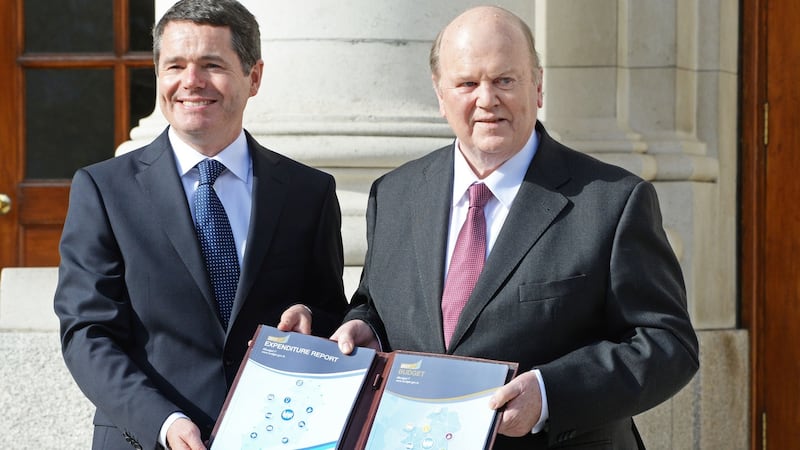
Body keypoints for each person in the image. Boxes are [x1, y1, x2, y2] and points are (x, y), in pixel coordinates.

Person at [331, 5, 699, 449]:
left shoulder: (612, 200)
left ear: (538, 86)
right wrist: (362, 326)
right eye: (467, 83)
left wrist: (549, 395)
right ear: (439, 92)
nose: (487, 99)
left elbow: (667, 344)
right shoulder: (393, 194)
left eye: (505, 80)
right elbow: (375, 303)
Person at [54, 1, 348, 449]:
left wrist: (310, 317)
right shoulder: (103, 189)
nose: (191, 82)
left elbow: (330, 312)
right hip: (147, 438)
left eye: (212, 65)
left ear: (254, 77)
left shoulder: (308, 192)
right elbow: (88, 334)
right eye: (175, 65)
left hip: (276, 435)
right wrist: (164, 421)